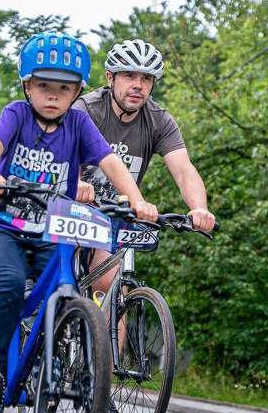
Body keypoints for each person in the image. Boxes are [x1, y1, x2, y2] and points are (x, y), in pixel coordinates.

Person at [0, 31, 158, 408]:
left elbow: (109, 162)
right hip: (4, 226)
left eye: (64, 88)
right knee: (10, 282)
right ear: (27, 86)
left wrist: (137, 200)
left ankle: (49, 365)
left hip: (50, 230)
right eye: (43, 86)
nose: (52, 95)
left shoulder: (78, 125)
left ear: (77, 92)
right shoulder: (16, 115)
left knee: (63, 288)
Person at [73, 38, 216, 286]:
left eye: (146, 78)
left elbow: (184, 171)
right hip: (70, 207)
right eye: (129, 76)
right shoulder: (87, 109)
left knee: (115, 289)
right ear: (110, 77)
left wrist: (199, 208)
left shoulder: (159, 120)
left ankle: (107, 324)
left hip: (117, 213)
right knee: (60, 272)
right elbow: (65, 153)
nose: (138, 85)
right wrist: (75, 184)